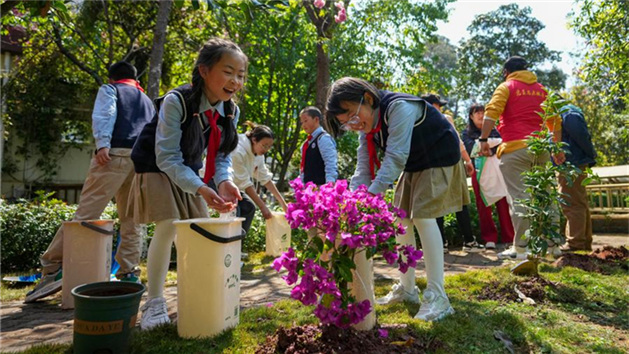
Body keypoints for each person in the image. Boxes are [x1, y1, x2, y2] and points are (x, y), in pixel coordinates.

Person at [128, 38, 246, 330]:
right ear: (204, 71)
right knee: (168, 224)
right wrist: (201, 187)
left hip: (188, 170)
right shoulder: (176, 100)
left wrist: (224, 182)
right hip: (155, 165)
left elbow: (221, 156)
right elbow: (166, 156)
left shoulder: (231, 111)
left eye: (241, 75)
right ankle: (154, 303)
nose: (235, 81)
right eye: (228, 71)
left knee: (197, 230)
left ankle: (195, 293)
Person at [327, 77, 466, 321]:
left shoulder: (398, 107)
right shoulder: (368, 128)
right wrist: (354, 201)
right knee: (400, 220)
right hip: (414, 164)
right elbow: (363, 169)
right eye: (346, 122)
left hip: (439, 158)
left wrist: (370, 196)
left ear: (367, 99)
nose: (353, 123)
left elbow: (396, 157)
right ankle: (408, 289)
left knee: (423, 216)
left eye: (352, 114)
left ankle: (438, 295)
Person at [25, 61, 155, 303]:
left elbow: (105, 114)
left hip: (114, 155)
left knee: (86, 214)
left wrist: (102, 143)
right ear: (134, 79)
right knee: (132, 218)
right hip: (141, 161)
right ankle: (129, 273)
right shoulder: (146, 100)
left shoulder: (111, 89)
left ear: (114, 77)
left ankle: (53, 267)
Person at [479, 56, 564, 260]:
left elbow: (491, 113)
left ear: (506, 72)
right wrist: (557, 149)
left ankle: (521, 249)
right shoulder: (542, 89)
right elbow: (555, 120)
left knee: (520, 197)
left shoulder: (506, 86)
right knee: (545, 195)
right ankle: (553, 246)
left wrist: (483, 139)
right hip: (540, 148)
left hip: (515, 149)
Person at [421, 93, 483, 253]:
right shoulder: (444, 119)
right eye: (438, 105)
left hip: (434, 166)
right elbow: (458, 142)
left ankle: (440, 244)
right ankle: (467, 242)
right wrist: (468, 161)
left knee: (440, 204)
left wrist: (468, 161)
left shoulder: (418, 121)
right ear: (430, 105)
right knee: (459, 202)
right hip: (451, 165)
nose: (440, 108)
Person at [461, 103, 515, 250]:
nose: (480, 115)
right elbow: (470, 148)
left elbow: (502, 145)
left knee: (503, 203)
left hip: (498, 172)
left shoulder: (495, 131)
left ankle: (509, 237)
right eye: (476, 113)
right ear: (471, 117)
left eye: (482, 112)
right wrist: (489, 145)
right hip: (479, 172)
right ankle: (489, 238)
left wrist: (488, 149)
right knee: (483, 205)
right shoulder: (466, 134)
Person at [232, 122, 288, 235]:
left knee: (249, 207)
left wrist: (283, 203)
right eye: (264, 145)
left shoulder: (258, 154)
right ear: (254, 140)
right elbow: (246, 185)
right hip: (216, 182)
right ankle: (228, 249)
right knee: (234, 211)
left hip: (235, 187)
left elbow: (266, 179)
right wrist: (263, 207)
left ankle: (238, 248)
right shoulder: (238, 151)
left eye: (269, 146)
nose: (266, 149)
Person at [557, 102, 596, 251]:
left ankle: (575, 243)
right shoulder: (569, 111)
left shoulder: (567, 112)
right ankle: (584, 243)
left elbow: (580, 134)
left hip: (571, 162)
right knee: (579, 202)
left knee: (571, 202)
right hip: (575, 160)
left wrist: (590, 154)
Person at [299, 106, 338, 185]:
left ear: (316, 119)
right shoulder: (306, 143)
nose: (303, 125)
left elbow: (330, 163)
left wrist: (329, 185)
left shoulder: (323, 138)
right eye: (302, 122)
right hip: (309, 188)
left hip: (321, 187)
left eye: (306, 121)